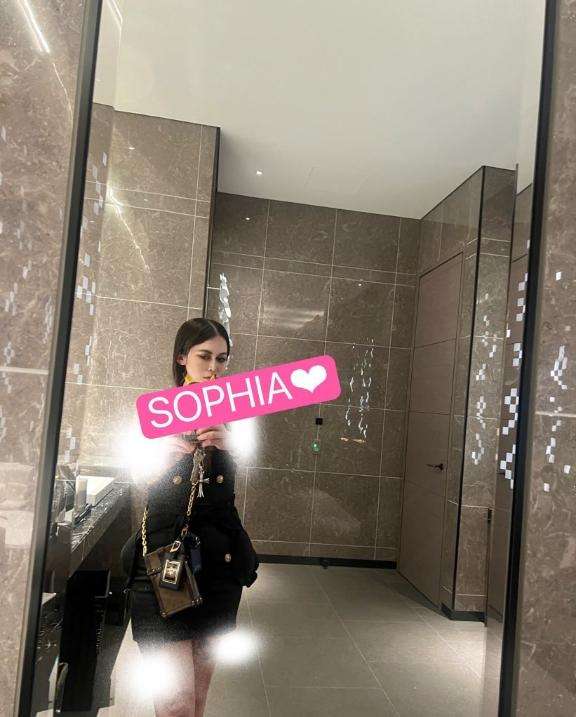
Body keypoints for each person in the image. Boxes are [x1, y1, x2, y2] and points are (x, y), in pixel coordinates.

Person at [121, 318, 258, 717]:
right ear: (182, 357)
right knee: (175, 703)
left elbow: (236, 486)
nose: (214, 367)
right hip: (164, 563)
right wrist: (159, 457)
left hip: (219, 565)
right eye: (204, 356)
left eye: (222, 359)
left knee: (196, 701)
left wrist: (232, 444)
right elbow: (136, 478)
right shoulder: (157, 413)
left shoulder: (234, 416)